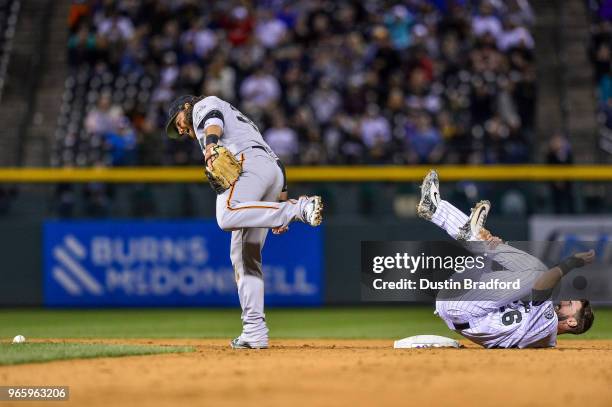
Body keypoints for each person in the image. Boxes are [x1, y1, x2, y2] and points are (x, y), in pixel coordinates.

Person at [165, 95, 323, 349]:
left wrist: (211, 145)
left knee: (227, 215)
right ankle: (254, 331)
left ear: (185, 107)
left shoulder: (203, 105)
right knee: (245, 255)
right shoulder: (243, 122)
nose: (181, 129)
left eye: (178, 122)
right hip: (269, 170)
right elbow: (278, 163)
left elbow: (211, 120)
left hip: (247, 164)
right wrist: (277, 202)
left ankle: (297, 208)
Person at [416, 169, 595, 348]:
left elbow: (543, 281)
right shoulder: (546, 341)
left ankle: (473, 236)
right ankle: (443, 214)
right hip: (462, 305)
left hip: (466, 308)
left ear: (572, 322)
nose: (565, 300)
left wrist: (571, 263)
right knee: (498, 252)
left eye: (570, 304)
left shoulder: (547, 320)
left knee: (538, 272)